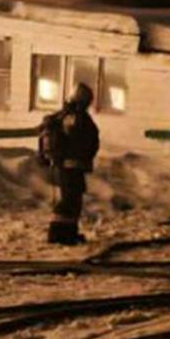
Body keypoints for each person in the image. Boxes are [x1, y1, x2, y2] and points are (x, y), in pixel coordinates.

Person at [38, 83, 100, 245]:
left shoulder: (62, 116)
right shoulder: (76, 118)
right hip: (73, 165)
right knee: (70, 202)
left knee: (70, 200)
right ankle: (60, 235)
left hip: (63, 165)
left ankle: (67, 233)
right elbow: (84, 140)